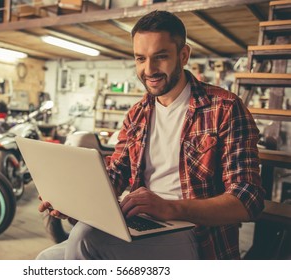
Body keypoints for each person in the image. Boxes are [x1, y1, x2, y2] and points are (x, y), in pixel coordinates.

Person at [37, 10, 265, 260]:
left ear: (184, 55)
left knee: (85, 240)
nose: (149, 69)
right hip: (139, 222)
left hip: (196, 235)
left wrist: (170, 208)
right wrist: (70, 198)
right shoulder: (137, 114)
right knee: (47, 260)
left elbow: (248, 199)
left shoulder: (225, 108)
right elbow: (116, 173)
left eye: (161, 57)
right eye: (140, 59)